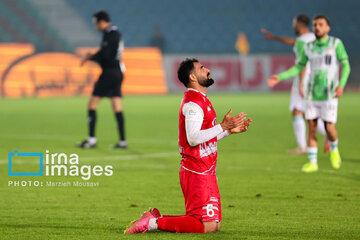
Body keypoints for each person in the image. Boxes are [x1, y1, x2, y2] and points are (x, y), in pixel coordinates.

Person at [124, 58, 252, 234]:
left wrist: (228, 131)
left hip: (206, 170)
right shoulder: (193, 104)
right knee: (206, 225)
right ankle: (152, 222)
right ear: (192, 77)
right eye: (201, 68)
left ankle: (152, 218)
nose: (207, 69)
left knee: (213, 225)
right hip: (196, 171)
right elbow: (193, 138)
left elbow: (204, 138)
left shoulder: (202, 100)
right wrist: (222, 126)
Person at [267, 15, 351, 172]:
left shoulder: (335, 44)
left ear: (328, 28)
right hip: (312, 93)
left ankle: (334, 149)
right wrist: (280, 76)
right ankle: (313, 162)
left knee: (329, 128)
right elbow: (299, 67)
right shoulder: (309, 46)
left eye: (321, 24)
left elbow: (346, 66)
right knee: (311, 126)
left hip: (329, 94)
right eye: (315, 25)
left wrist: (341, 85)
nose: (317, 27)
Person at [262, 14, 329, 155]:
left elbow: (302, 63)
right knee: (307, 112)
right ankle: (328, 133)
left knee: (297, 111)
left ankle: (303, 146)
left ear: (299, 24)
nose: (293, 26)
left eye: (294, 23)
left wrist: (300, 83)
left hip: (304, 79)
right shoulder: (312, 38)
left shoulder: (301, 42)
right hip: (318, 78)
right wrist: (274, 37)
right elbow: (293, 41)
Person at [77, 10, 127, 149]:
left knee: (92, 104)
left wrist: (91, 57)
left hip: (110, 72)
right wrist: (92, 57)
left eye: (96, 23)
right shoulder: (112, 33)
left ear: (102, 21)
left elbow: (106, 55)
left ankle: (91, 139)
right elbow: (106, 53)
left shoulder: (111, 34)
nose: (96, 27)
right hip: (117, 72)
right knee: (116, 105)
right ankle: (122, 141)